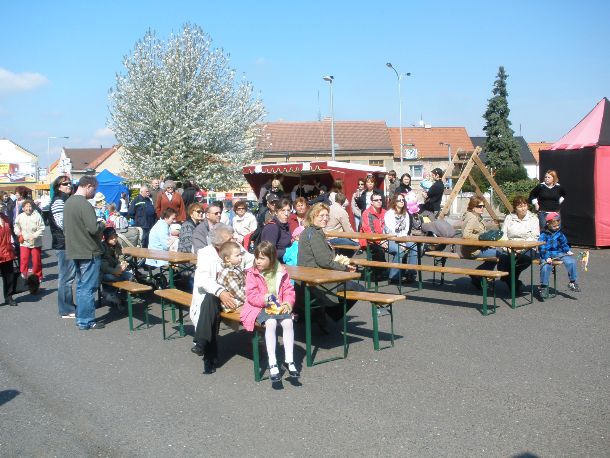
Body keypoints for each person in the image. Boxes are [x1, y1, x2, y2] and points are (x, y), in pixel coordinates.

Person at [190, 224, 254, 374]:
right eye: (230, 238)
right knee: (210, 302)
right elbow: (202, 279)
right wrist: (220, 292)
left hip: (236, 295)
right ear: (218, 243)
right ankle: (208, 355)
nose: (234, 240)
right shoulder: (205, 253)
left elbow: (252, 260)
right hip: (213, 296)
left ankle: (202, 344)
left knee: (209, 308)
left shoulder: (235, 247)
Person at [297, 202, 364, 323]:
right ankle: (330, 314)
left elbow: (326, 258)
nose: (325, 218)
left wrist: (344, 264)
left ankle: (326, 314)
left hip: (312, 276)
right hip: (318, 280)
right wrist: (345, 269)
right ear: (313, 216)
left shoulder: (310, 231)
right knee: (359, 288)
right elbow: (325, 261)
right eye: (321, 215)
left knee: (352, 285)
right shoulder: (314, 233)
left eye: (327, 215)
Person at [241, 241, 298, 382]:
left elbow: (288, 290)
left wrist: (288, 303)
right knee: (271, 323)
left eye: (262, 258)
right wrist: (264, 299)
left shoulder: (281, 271)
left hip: (277, 306)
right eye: (257, 257)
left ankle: (289, 360)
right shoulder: (252, 273)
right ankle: (272, 361)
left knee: (288, 322)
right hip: (258, 307)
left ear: (271, 259)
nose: (258, 261)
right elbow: (251, 296)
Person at [64, 175, 106, 330]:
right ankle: (86, 320)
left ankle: (81, 318)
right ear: (88, 186)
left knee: (81, 286)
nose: (94, 192)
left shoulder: (68, 203)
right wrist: (102, 224)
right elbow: (93, 229)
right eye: (94, 189)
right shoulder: (85, 204)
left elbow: (65, 228)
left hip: (75, 250)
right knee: (88, 287)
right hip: (89, 251)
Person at [497, 196, 540, 293]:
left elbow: (534, 236)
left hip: (527, 248)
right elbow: (503, 234)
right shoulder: (509, 218)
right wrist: (508, 248)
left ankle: (511, 282)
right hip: (510, 247)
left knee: (522, 260)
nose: (523, 208)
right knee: (502, 265)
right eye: (520, 206)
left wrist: (521, 248)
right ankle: (515, 283)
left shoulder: (533, 218)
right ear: (515, 208)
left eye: (525, 205)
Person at [49, 176, 77, 317]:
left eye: (70, 183)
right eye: (65, 184)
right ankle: (66, 309)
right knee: (66, 278)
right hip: (63, 244)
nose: (69, 185)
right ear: (58, 187)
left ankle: (68, 305)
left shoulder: (65, 199)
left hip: (66, 243)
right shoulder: (59, 201)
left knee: (68, 278)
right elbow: (63, 224)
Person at [536, 212, 580, 301]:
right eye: (554, 226)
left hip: (557, 252)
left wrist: (567, 250)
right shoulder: (543, 234)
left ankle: (572, 282)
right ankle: (544, 286)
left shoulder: (559, 233)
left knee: (571, 262)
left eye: (558, 226)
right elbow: (542, 247)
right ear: (548, 224)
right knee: (545, 266)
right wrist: (546, 257)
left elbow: (564, 243)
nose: (557, 227)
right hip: (546, 253)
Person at [459, 196, 499, 290]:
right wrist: (480, 237)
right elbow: (466, 234)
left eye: (483, 206)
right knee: (498, 255)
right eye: (479, 206)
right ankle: (479, 275)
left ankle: (479, 276)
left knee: (495, 254)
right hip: (472, 250)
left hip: (470, 248)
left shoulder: (475, 216)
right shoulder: (473, 218)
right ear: (473, 207)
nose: (482, 208)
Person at [384, 194, 417, 284]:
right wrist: (400, 242)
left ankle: (411, 274)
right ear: (395, 202)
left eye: (403, 200)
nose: (402, 202)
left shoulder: (405, 214)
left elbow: (406, 231)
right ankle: (393, 277)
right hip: (390, 239)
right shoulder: (389, 214)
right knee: (400, 251)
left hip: (403, 238)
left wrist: (404, 241)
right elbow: (391, 232)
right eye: (399, 200)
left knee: (414, 247)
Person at [14, 199, 45, 284]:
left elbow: (42, 228)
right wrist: (19, 233)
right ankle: (24, 273)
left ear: (32, 207)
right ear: (23, 208)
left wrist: (34, 235)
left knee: (36, 261)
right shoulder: (20, 216)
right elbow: (16, 226)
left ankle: (38, 276)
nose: (28, 208)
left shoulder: (37, 216)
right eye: (26, 206)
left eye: (30, 206)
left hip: (35, 242)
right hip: (24, 242)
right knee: (24, 259)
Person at [216, 240, 246, 312]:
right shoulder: (229, 273)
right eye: (237, 255)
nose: (240, 257)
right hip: (233, 304)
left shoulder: (235, 267)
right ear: (227, 259)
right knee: (254, 310)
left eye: (240, 254)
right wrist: (252, 299)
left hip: (240, 298)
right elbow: (237, 292)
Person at [260, 198, 292, 262]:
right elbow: (268, 252)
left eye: (288, 210)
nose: (286, 214)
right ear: (276, 212)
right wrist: (288, 251)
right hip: (274, 264)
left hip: (285, 261)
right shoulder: (272, 228)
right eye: (283, 210)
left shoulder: (285, 226)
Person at [361, 191, 388, 268]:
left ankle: (401, 272)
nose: (379, 201)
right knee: (379, 251)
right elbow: (369, 231)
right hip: (369, 240)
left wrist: (385, 240)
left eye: (380, 200)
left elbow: (388, 228)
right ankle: (380, 271)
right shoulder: (366, 213)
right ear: (372, 202)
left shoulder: (385, 212)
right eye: (376, 200)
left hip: (384, 239)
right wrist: (380, 241)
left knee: (402, 249)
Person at [0, 205, 17, 306]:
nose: (1, 206)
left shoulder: (5, 218)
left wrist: (13, 245)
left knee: (9, 276)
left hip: (7, 251)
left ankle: (9, 297)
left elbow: (10, 233)